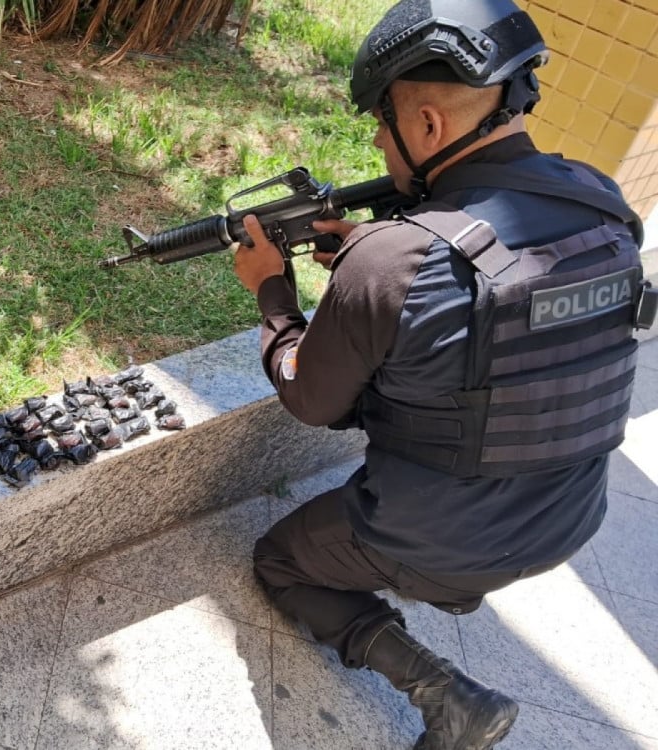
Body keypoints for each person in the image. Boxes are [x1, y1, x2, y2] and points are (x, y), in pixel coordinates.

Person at [231, 1, 652, 749]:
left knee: (280, 559)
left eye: (382, 122)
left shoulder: (393, 261)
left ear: (427, 125)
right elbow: (502, 315)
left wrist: (273, 290)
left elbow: (308, 395)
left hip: (444, 544)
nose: (377, 141)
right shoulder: (603, 203)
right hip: (572, 518)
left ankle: (449, 698)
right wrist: (376, 258)